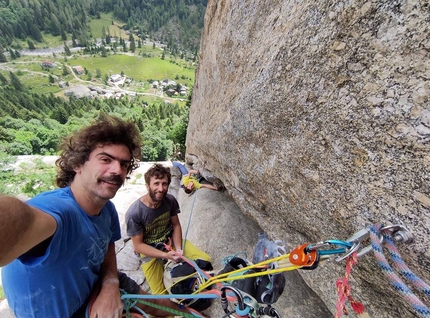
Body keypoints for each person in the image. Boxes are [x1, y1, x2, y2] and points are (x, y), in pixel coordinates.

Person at [0, 115, 190, 318]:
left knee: (161, 306)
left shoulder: (106, 209)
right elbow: (19, 220)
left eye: (124, 164)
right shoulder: (59, 212)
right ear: (78, 164)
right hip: (67, 312)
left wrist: (110, 283)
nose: (117, 170)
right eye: (105, 159)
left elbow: (107, 245)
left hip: (98, 282)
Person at [125, 163, 212, 295]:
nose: (161, 188)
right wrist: (165, 256)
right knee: (161, 296)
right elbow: (138, 246)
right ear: (147, 185)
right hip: (149, 252)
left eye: (164, 184)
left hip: (170, 241)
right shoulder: (135, 213)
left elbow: (176, 225)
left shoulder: (170, 200)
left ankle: (194, 292)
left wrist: (178, 249)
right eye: (156, 183)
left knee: (205, 262)